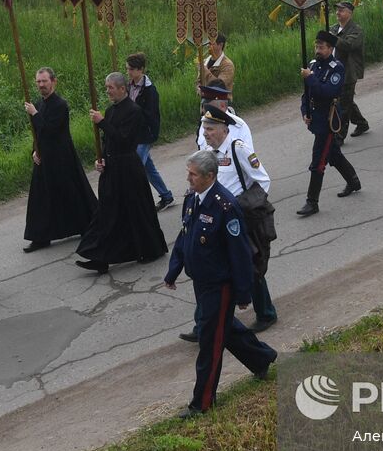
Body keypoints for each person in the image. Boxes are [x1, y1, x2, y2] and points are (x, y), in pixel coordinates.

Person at [163, 150, 277, 418]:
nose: (188, 178)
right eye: (188, 172)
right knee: (222, 328)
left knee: (210, 342)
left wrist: (242, 293)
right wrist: (173, 271)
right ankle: (261, 357)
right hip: (201, 282)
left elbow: (239, 254)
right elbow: (184, 238)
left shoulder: (225, 206)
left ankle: (202, 403)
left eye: (193, 174)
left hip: (220, 285)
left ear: (209, 176)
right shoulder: (192, 199)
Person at [180, 107, 277, 339]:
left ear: (225, 129)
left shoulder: (238, 149)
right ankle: (203, 324)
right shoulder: (206, 151)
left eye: (211, 129)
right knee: (212, 269)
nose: (206, 134)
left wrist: (244, 207)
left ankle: (266, 313)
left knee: (249, 265)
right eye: (204, 128)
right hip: (214, 219)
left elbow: (263, 180)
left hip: (238, 217)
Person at [75, 73, 168, 272]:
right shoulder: (110, 111)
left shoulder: (134, 111)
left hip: (128, 168)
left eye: (110, 87)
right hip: (112, 168)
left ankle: (151, 249)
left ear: (122, 88)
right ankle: (99, 257)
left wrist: (102, 123)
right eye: (106, 87)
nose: (107, 90)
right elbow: (108, 140)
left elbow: (124, 139)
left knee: (137, 211)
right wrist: (101, 159)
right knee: (106, 212)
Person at [23, 67, 97, 252]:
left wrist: (35, 114)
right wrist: (35, 151)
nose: (41, 85)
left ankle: (87, 224)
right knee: (41, 198)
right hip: (43, 158)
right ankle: (41, 237)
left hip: (61, 156)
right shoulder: (38, 104)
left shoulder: (60, 105)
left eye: (44, 81)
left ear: (53, 82)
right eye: (38, 82)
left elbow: (51, 130)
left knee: (71, 193)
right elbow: (38, 133)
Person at [296, 29, 360, 216]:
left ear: (330, 48)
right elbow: (306, 93)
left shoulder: (337, 68)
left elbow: (328, 92)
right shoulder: (313, 65)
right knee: (333, 154)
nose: (317, 49)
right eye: (316, 46)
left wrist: (310, 78)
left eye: (321, 47)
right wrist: (304, 112)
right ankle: (353, 180)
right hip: (315, 117)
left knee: (318, 161)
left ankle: (312, 202)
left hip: (328, 120)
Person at [125, 53, 174, 211]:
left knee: (135, 167)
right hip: (133, 133)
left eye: (131, 69)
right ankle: (166, 195)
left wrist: (133, 113)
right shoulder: (129, 86)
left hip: (145, 134)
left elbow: (150, 115)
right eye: (127, 69)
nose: (129, 72)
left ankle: (136, 203)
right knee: (148, 168)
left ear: (141, 70)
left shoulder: (150, 90)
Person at [332, 1, 369, 137]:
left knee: (343, 106)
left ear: (349, 13)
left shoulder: (356, 30)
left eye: (341, 10)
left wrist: (331, 38)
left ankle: (340, 136)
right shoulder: (334, 28)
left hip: (348, 72)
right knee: (346, 100)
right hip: (334, 71)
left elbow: (348, 45)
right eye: (337, 10)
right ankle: (361, 123)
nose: (338, 12)